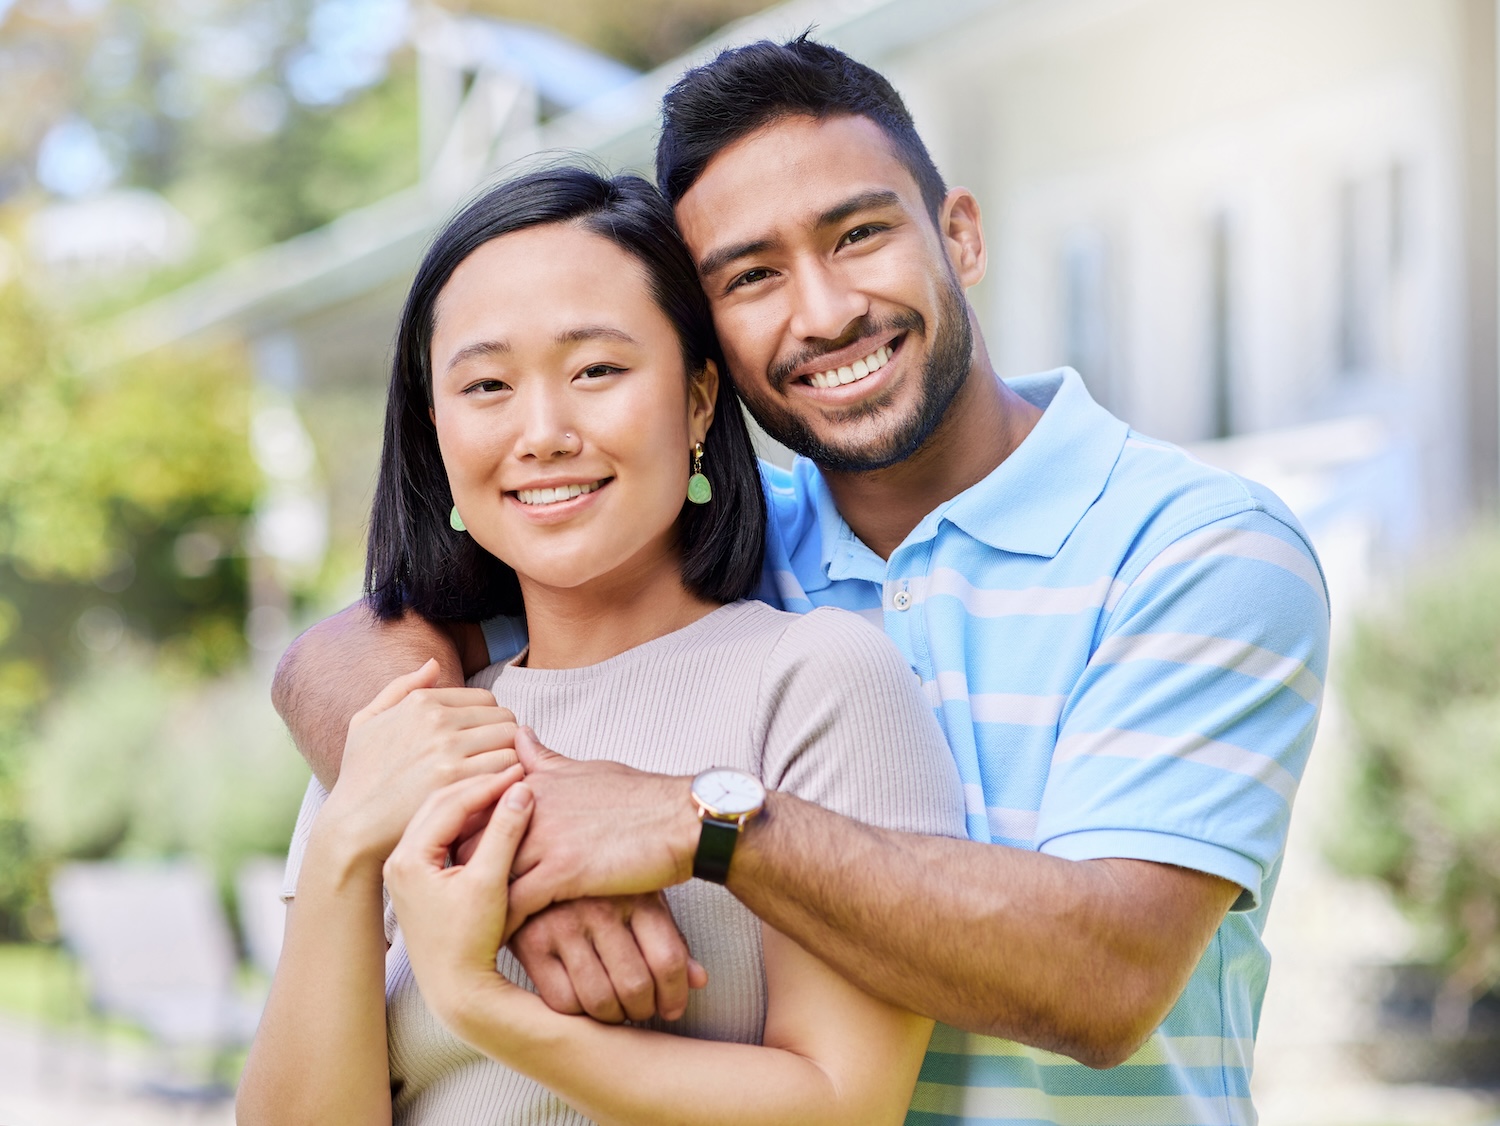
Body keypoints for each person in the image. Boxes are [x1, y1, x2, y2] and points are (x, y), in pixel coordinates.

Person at [271, 37, 1331, 1126]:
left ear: (958, 234)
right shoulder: (697, 547)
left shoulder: (1197, 547)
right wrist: (525, 864)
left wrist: (701, 822)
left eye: (859, 234)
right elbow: (335, 657)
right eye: (751, 276)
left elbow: (1106, 983)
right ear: (710, 341)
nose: (822, 313)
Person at [235, 167, 967, 1126]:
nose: (543, 434)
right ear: (437, 433)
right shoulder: (406, 719)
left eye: (596, 371)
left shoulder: (817, 680)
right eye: (487, 385)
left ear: (700, 398)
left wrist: (481, 1004)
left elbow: (843, 1104)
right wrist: (340, 854)